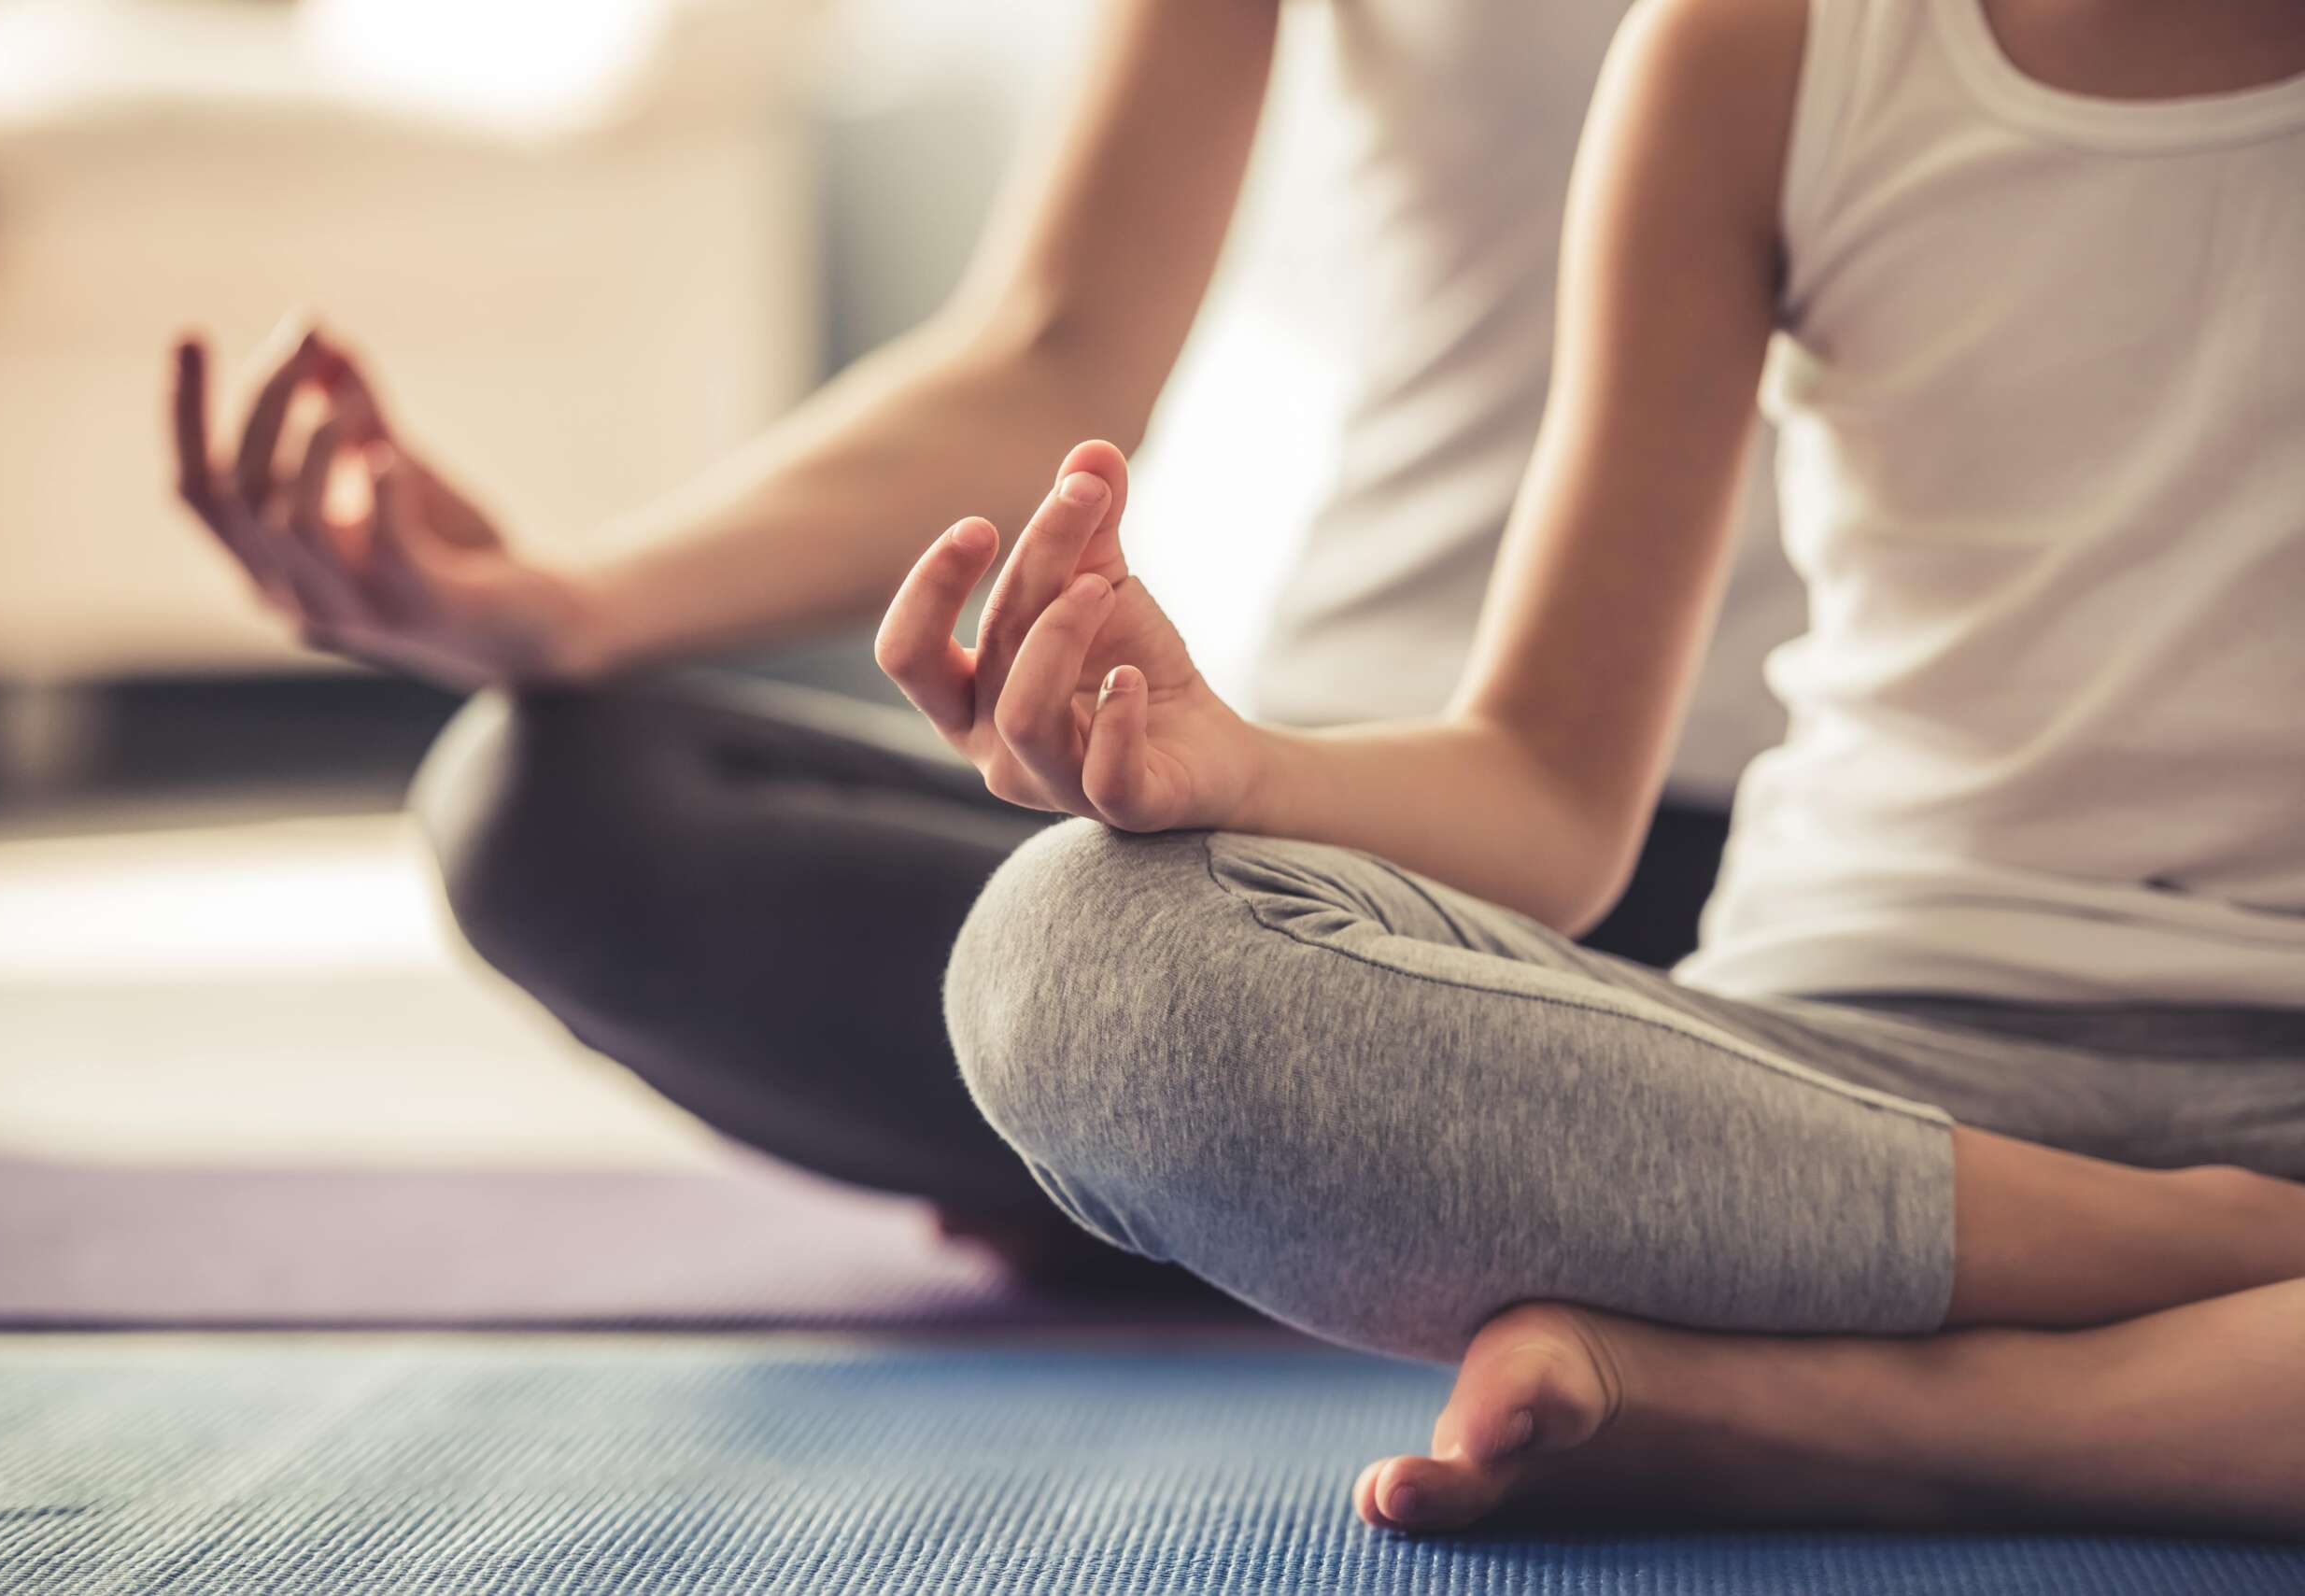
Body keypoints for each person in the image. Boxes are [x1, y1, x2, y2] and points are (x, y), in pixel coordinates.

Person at [875, 0, 2305, 1538]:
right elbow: (1548, 795)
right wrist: (1234, 763)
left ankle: (1844, 1413)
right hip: (1832, 1084)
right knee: (1081, 957)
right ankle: (2210, 1268)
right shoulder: (1758, 52)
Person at [166, 4, 1795, 1277]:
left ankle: (1220, 1194)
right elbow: (1052, 349)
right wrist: (562, 604)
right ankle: (1265, 1187)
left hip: (1754, 872)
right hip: (1309, 819)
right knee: (551, 799)